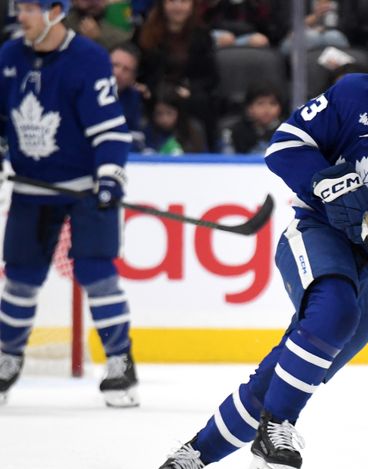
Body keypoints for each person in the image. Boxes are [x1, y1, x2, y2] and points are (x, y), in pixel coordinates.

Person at [148, 19, 368, 469]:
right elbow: (285, 145)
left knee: (291, 370)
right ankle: (277, 428)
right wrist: (327, 181)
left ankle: (195, 453)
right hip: (319, 230)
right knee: (333, 312)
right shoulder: (354, 94)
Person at [0, 0, 138, 407]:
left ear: (56, 11)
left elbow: (110, 128)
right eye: (17, 7)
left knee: (97, 274)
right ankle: (7, 359)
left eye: (28, 9)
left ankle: (120, 363)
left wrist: (110, 174)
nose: (19, 16)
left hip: (83, 187)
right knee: (20, 279)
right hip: (31, 188)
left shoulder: (89, 59)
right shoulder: (9, 56)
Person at [137, 0, 219, 151]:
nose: (177, 7)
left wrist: (191, 89)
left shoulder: (202, 35)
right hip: (155, 91)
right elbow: (142, 70)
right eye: (172, 1)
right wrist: (144, 86)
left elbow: (210, 77)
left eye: (183, 1)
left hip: (188, 91)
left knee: (202, 102)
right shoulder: (145, 32)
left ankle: (203, 150)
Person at [221, 82, 284, 154]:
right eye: (260, 103)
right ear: (249, 108)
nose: (267, 109)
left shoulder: (289, 131)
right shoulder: (236, 131)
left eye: (273, 103)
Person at [110, 42, 146, 151]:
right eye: (115, 65)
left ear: (133, 77)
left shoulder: (133, 99)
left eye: (126, 69)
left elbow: (136, 139)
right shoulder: (85, 91)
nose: (118, 73)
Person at [63, 0, 132, 50]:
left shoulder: (117, 10)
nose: (95, 2)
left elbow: (124, 42)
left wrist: (98, 38)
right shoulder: (65, 15)